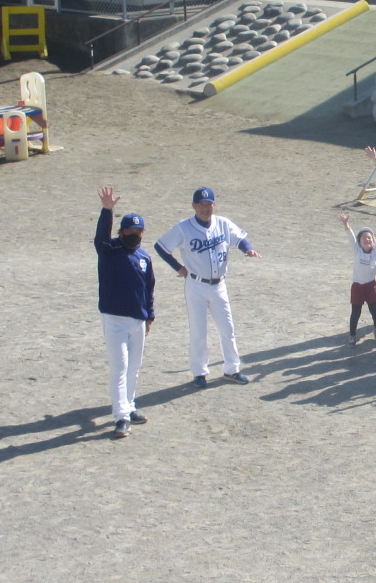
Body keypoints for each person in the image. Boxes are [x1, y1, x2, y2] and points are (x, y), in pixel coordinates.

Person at [154, 186, 261, 387]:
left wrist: (249, 249)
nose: (205, 208)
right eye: (201, 204)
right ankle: (199, 373)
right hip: (196, 285)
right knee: (199, 330)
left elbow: (239, 239)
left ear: (214, 204)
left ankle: (232, 370)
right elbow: (161, 246)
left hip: (219, 285)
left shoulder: (223, 223)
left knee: (227, 328)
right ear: (194, 206)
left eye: (208, 204)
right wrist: (178, 267)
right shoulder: (183, 227)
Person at [95, 186, 155, 440]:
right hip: (115, 320)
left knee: (134, 368)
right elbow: (100, 238)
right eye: (129, 230)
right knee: (119, 368)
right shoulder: (110, 251)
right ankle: (120, 416)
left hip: (138, 320)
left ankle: (130, 406)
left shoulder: (144, 257)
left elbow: (149, 287)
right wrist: (107, 211)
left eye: (137, 231)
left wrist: (149, 315)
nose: (133, 234)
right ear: (121, 232)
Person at [338, 211, 376, 345]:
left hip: (371, 286)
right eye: (363, 238)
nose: (366, 240)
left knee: (374, 310)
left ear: (373, 241)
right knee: (356, 312)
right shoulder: (357, 251)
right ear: (359, 242)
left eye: (369, 238)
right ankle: (352, 334)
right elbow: (350, 236)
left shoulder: (375, 253)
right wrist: (346, 223)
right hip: (357, 286)